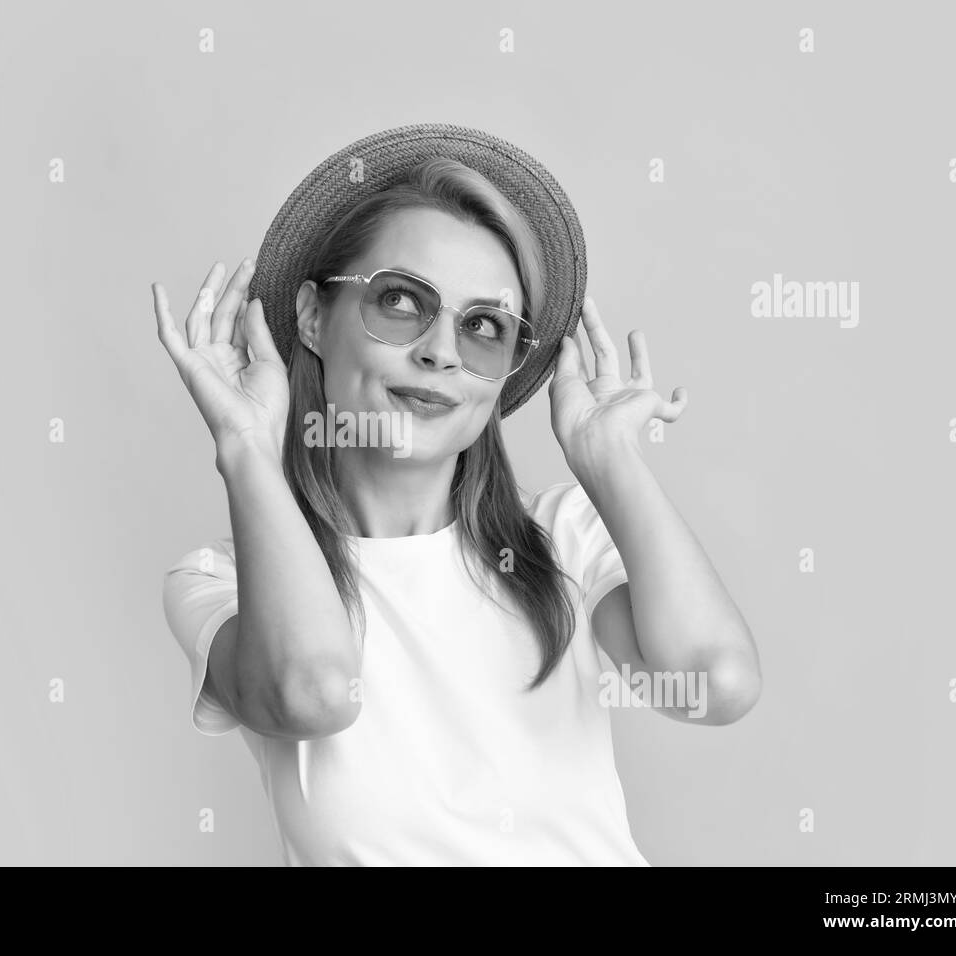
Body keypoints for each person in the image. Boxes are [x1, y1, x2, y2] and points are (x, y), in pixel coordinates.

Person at [154, 124, 761, 866]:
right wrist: (245, 448)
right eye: (402, 302)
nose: (440, 351)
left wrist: (610, 459)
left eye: (482, 326)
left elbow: (715, 684)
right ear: (313, 317)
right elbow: (311, 691)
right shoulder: (224, 584)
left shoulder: (560, 536)